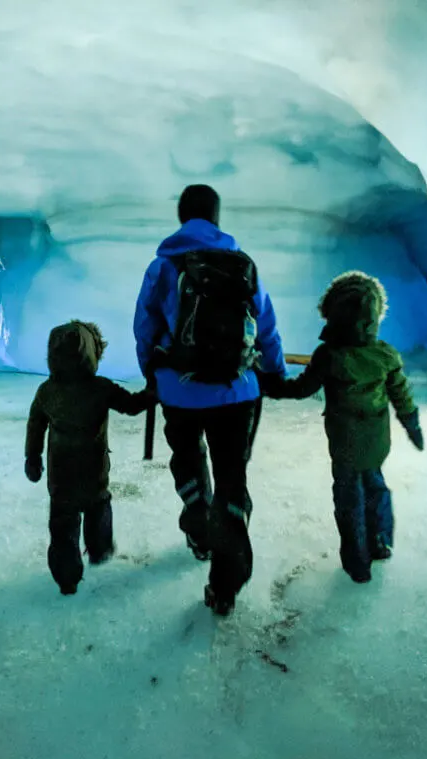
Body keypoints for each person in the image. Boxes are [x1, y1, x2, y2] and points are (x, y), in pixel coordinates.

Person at [134, 184, 286, 616]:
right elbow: (266, 324)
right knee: (232, 477)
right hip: (238, 393)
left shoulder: (163, 267)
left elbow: (144, 326)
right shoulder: (243, 265)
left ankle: (198, 524)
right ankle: (225, 583)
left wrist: (153, 370)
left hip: (179, 390)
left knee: (186, 457)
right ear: (217, 217)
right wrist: (275, 372)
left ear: (182, 216)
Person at [263, 270, 424, 583]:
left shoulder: (329, 356)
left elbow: (301, 389)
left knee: (349, 497)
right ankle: (381, 542)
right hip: (377, 440)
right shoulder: (386, 355)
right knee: (375, 485)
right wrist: (412, 425)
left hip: (344, 443)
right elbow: (401, 395)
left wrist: (270, 385)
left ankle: (357, 561)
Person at [25, 320, 152, 595]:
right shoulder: (101, 388)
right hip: (94, 473)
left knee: (63, 526)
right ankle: (99, 549)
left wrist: (32, 459)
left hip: (61, 479)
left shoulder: (47, 392)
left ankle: (67, 577)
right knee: (99, 506)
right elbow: (130, 406)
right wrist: (152, 395)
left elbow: (35, 427)